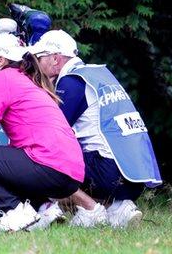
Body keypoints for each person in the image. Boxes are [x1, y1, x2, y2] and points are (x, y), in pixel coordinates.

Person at [0, 33, 85, 235]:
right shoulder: (27, 79)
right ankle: (42, 208)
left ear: (0, 59)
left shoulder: (0, 80)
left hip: (49, 167)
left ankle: (13, 211)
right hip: (70, 175)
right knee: (0, 157)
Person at [29, 30, 162, 228]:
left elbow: (53, 129)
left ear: (55, 59)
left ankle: (77, 210)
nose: (36, 64)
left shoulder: (72, 81)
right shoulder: (98, 74)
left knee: (42, 156)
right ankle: (120, 208)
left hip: (107, 173)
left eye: (39, 58)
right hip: (135, 176)